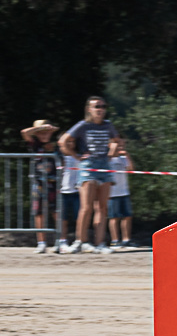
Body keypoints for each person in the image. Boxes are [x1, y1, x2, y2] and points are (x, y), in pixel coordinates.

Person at [59, 95, 119, 253]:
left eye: (103, 106)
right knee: (86, 207)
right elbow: (63, 141)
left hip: (104, 165)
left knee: (102, 208)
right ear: (89, 109)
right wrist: (76, 157)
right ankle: (81, 241)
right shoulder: (83, 125)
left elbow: (117, 140)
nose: (100, 110)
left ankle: (100, 243)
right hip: (88, 166)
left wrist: (112, 150)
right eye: (97, 106)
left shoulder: (108, 125)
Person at [21, 119, 60, 253]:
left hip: (54, 183)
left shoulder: (55, 145)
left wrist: (48, 129)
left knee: (56, 212)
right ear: (36, 134)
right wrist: (40, 128)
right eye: (41, 132)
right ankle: (41, 243)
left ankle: (59, 241)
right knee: (39, 213)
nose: (44, 135)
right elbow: (24, 132)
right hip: (38, 183)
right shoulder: (34, 145)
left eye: (47, 132)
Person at [107, 139, 135, 249]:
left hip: (124, 192)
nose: (121, 148)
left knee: (127, 216)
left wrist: (127, 155)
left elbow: (131, 169)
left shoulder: (123, 159)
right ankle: (115, 240)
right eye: (118, 145)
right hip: (112, 193)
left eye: (123, 145)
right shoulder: (107, 160)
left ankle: (126, 240)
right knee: (114, 217)